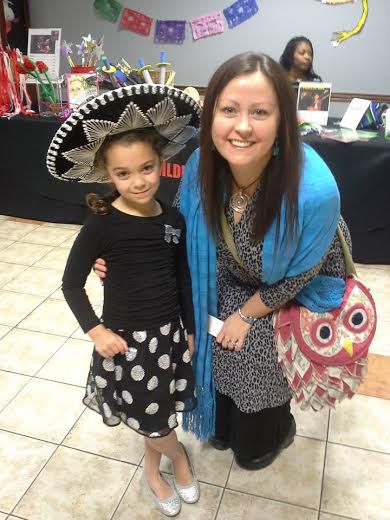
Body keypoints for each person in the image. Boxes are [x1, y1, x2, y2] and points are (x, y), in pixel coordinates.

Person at [94, 52, 351, 471]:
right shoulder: (201, 167)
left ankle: (274, 426)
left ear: (283, 120)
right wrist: (119, 261)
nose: (243, 126)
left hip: (290, 287)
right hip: (225, 277)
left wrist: (247, 316)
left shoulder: (313, 190)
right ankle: (225, 416)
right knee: (207, 338)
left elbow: (303, 271)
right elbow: (174, 235)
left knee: (256, 357)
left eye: (260, 112)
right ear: (211, 114)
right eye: (229, 110)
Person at [47, 85, 202, 516]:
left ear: (161, 163)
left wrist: (188, 328)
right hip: (128, 344)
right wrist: (96, 331)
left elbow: (183, 276)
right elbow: (71, 284)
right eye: (123, 174)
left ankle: (154, 468)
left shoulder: (172, 218)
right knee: (153, 419)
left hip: (169, 335)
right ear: (107, 175)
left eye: (147, 168)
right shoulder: (101, 224)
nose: (138, 181)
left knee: (159, 413)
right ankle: (176, 459)